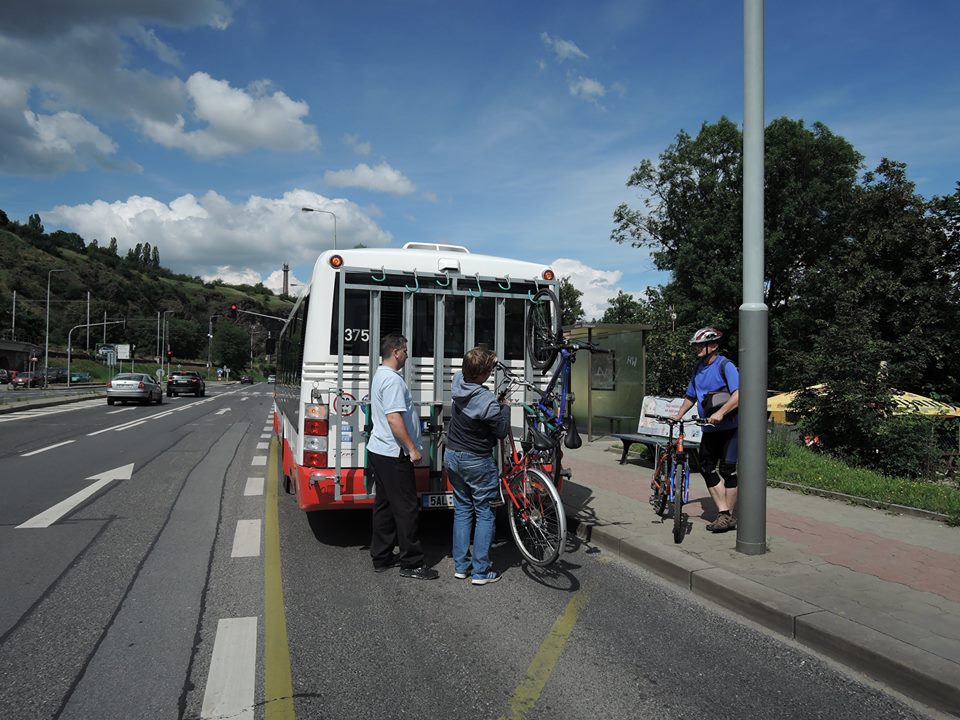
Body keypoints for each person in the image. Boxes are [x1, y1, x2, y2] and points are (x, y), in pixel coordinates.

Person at [367, 332, 439, 579]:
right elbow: (394, 419)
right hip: (393, 453)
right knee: (407, 508)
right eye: (406, 351)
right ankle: (412, 563)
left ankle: (382, 556)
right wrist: (412, 448)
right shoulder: (393, 381)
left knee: (384, 505)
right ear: (396, 352)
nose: (407, 355)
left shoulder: (380, 375)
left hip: (379, 450)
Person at [444, 347, 511, 586]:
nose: (491, 372)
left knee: (462, 510)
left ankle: (461, 567)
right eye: (489, 369)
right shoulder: (486, 401)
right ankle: (481, 571)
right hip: (476, 461)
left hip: (452, 455)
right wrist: (505, 408)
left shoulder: (458, 381)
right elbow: (501, 431)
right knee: (485, 512)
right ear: (482, 374)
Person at [671, 327, 740, 532]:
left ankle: (727, 516)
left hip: (730, 428)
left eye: (701, 345)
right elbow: (691, 396)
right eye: (696, 345)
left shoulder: (725, 365)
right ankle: (724, 513)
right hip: (709, 429)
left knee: (728, 471)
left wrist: (721, 413)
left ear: (714, 345)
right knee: (706, 467)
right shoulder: (698, 368)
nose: (697, 348)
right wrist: (678, 415)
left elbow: (739, 394)